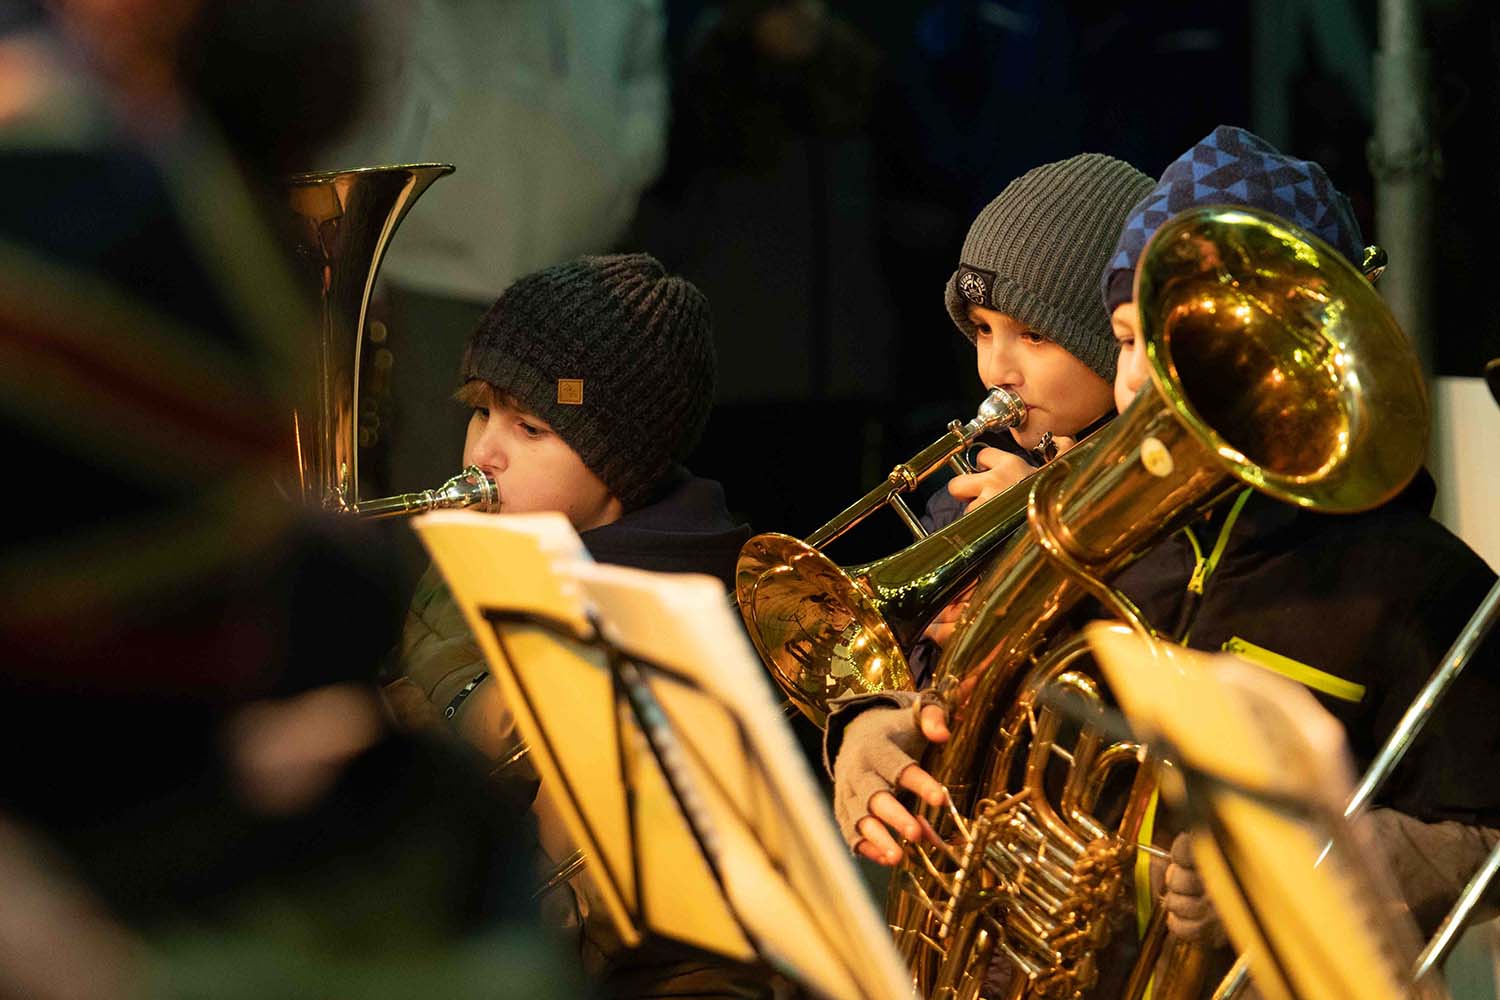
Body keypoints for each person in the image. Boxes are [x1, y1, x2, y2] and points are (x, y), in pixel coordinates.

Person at [826, 125, 1500, 989]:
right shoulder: (1074, 527)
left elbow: (1485, 837)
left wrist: (1305, 863)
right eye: (1127, 339)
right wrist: (878, 724)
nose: (1144, 380)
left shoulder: (1415, 582)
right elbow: (961, 705)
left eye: (1187, 345)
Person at [387, 251, 760, 996]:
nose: (484, 451)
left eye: (530, 427)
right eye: (481, 410)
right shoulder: (489, 542)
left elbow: (562, 909)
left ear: (621, 464)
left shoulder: (666, 627)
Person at [907, 152, 1153, 669]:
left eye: (1035, 335)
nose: (996, 370)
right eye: (983, 329)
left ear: (1114, 340)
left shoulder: (1156, 503)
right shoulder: (964, 501)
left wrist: (1039, 538)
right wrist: (931, 643)